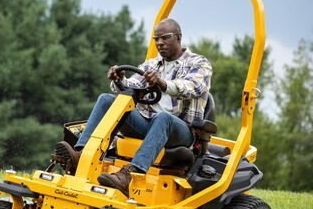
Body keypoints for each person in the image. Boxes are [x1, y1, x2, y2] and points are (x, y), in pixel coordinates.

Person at [53, 18, 213, 196]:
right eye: (156, 39)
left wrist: (162, 83)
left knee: (163, 118)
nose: (160, 43)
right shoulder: (152, 64)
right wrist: (119, 79)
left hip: (180, 130)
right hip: (147, 123)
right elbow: (132, 86)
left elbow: (192, 87)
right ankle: (81, 154)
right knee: (106, 99)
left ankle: (130, 174)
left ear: (178, 37)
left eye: (165, 37)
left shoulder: (199, 63)